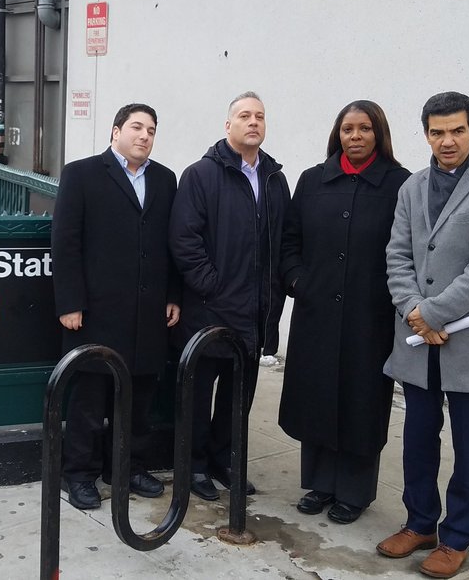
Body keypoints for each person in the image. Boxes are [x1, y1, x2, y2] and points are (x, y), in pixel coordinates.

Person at [376, 92, 469, 578]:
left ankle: (456, 536)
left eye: (457, 130)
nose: (447, 141)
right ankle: (420, 522)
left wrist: (433, 313)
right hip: (419, 339)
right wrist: (414, 311)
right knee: (417, 436)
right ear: (426, 135)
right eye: (437, 132)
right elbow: (397, 254)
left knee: (468, 443)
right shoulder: (412, 187)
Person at [279, 100, 410, 525]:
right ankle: (319, 483)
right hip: (316, 312)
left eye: (364, 128)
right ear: (337, 133)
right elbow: (290, 239)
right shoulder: (313, 179)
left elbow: (407, 249)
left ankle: (354, 491)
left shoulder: (400, 184)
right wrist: (298, 281)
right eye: (347, 128)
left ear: (379, 133)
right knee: (317, 396)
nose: (355, 136)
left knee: (360, 401)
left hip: (368, 317)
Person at [50, 102, 180, 510]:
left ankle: (128, 467)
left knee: (138, 400)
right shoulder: (82, 174)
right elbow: (65, 242)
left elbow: (171, 244)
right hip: (97, 311)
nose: (144, 136)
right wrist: (70, 302)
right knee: (90, 397)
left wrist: (173, 295)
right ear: (116, 131)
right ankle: (78, 474)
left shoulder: (165, 179)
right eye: (137, 127)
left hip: (148, 313)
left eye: (151, 130)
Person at [169, 91, 290, 501]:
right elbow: (184, 240)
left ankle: (225, 460)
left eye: (260, 116)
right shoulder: (201, 175)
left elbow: (282, 241)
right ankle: (194, 466)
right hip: (209, 311)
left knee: (238, 400)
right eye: (244, 116)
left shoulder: (274, 179)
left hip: (254, 314)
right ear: (228, 125)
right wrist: (213, 285)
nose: (253, 122)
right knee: (198, 396)